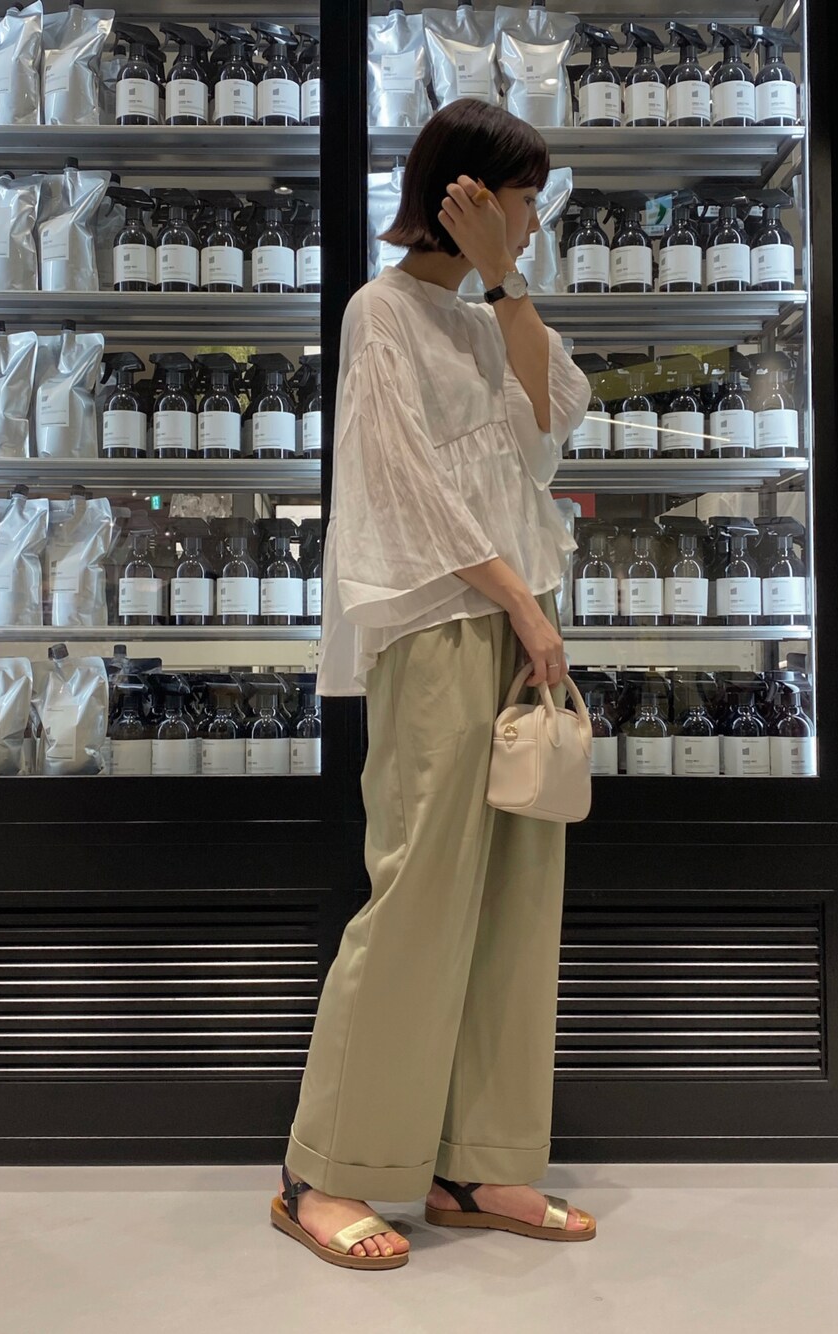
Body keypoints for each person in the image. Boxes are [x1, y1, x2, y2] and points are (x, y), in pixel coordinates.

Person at [270, 98, 597, 1271]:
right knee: (416, 893)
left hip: (520, 623)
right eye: (522, 198)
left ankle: (477, 1161)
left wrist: (504, 281)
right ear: (463, 196)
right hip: (447, 624)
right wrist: (519, 603)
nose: (534, 218)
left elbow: (552, 419)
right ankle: (324, 1172)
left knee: (517, 899)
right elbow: (401, 484)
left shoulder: (485, 316)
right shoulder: (382, 313)